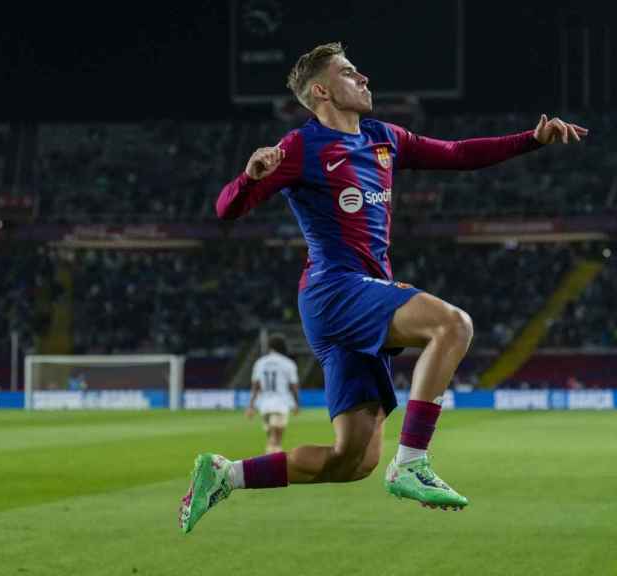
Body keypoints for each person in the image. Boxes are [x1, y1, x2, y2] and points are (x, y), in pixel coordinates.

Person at [179, 42, 587, 534]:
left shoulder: (383, 137)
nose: (365, 77)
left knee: (351, 460)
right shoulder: (300, 147)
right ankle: (413, 460)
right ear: (322, 90)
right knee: (452, 325)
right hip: (335, 291)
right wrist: (248, 177)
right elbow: (226, 211)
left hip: (356, 296)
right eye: (350, 72)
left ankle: (225, 474)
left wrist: (532, 139)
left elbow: (457, 154)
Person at [246, 334, 300, 454]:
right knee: (275, 441)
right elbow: (294, 386)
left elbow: (255, 386)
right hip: (281, 404)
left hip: (264, 405)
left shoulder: (260, 362)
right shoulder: (288, 363)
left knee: (272, 438)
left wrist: (251, 406)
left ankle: (271, 463)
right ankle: (270, 465)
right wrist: (297, 404)